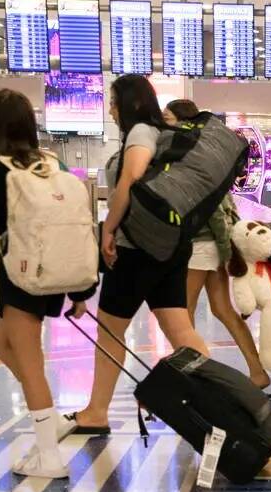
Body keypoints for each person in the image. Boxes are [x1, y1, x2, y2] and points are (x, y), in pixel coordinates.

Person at [0, 89, 97, 479]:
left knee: (31, 366)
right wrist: (80, 292)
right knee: (0, 342)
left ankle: (48, 453)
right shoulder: (50, 165)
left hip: (20, 277)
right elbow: (70, 229)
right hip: (53, 275)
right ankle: (44, 424)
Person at [67, 74, 214, 435]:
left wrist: (108, 230)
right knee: (179, 328)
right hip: (169, 246)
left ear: (130, 104)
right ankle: (220, 396)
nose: (111, 111)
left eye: (114, 102)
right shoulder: (162, 135)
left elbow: (130, 179)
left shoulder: (142, 134)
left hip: (137, 251)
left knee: (110, 332)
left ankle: (96, 411)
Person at [163, 99, 270, 390]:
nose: (163, 123)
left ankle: (187, 378)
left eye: (168, 117)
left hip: (199, 245)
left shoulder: (187, 156)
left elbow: (208, 209)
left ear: (184, 122)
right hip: (210, 245)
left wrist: (225, 251)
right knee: (222, 310)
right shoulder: (205, 155)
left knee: (182, 315)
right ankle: (257, 371)